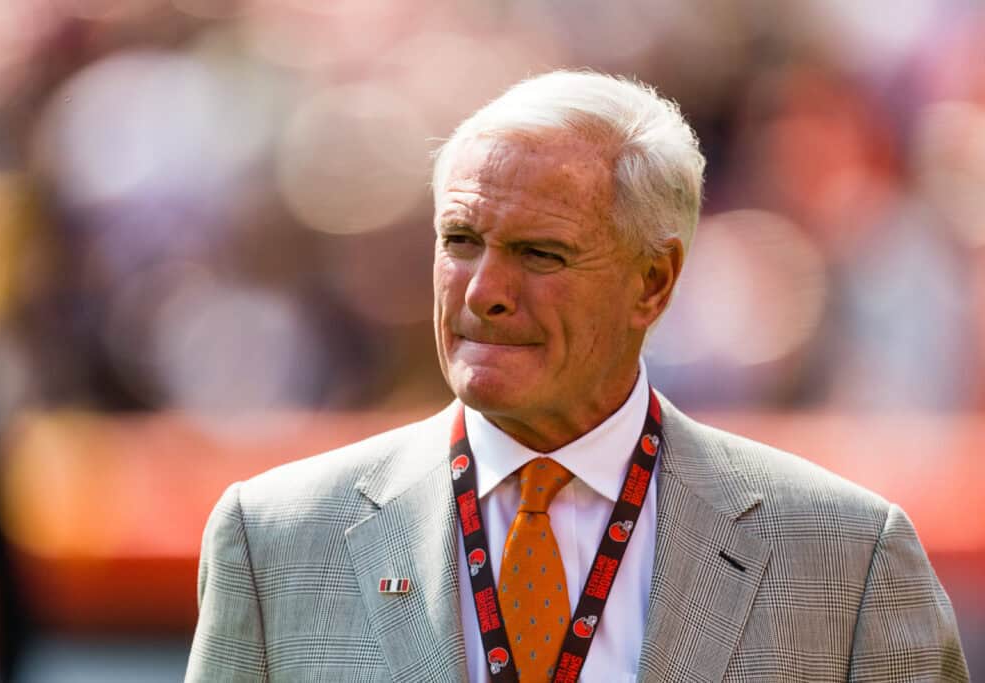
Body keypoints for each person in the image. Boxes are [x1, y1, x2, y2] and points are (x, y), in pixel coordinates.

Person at [186, 71, 969, 682]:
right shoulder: (277, 541)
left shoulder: (845, 557)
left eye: (540, 253)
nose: (483, 290)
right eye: (460, 240)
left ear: (653, 282)